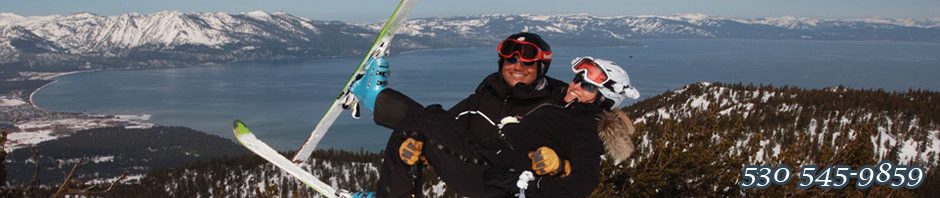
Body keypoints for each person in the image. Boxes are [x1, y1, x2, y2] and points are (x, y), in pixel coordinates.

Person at [353, 46, 640, 196]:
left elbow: (583, 182)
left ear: (605, 99)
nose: (575, 86)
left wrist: (548, 174)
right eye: (578, 78)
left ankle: (371, 95)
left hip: (490, 175)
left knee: (422, 123)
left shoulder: (587, 128)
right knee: (426, 123)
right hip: (487, 159)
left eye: (588, 86)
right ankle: (373, 98)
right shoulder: (563, 105)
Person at [352, 32, 569, 198]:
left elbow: (583, 151)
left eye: (528, 61)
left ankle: (373, 95)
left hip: (508, 183)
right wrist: (423, 148)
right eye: (510, 59)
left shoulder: (555, 105)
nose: (517, 66)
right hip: (476, 170)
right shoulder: (487, 94)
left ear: (542, 66)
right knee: (415, 129)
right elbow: (447, 125)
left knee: (422, 121)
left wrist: (561, 165)